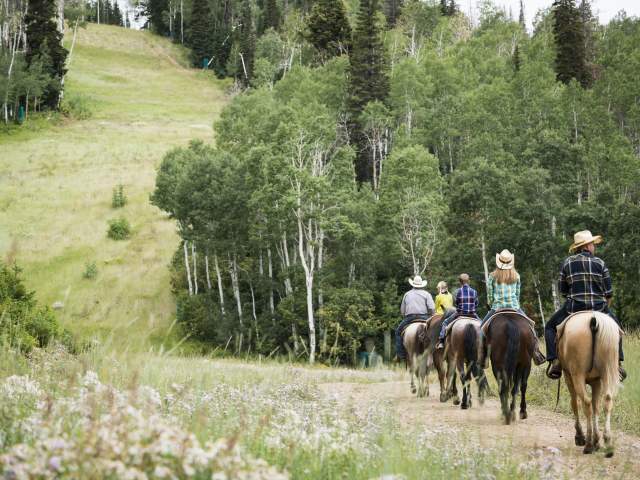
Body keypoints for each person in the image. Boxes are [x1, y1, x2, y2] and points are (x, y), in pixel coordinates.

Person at [545, 230, 626, 381]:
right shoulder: (600, 263)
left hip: (573, 307)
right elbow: (609, 293)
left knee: (549, 327)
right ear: (588, 245)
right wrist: (605, 308)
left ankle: (555, 361)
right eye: (593, 244)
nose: (594, 246)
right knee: (617, 329)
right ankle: (618, 363)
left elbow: (562, 291)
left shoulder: (567, 263)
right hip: (599, 308)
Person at [481, 249, 545, 366]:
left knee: (481, 330)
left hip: (497, 308)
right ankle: (536, 353)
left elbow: (490, 296)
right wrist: (515, 305)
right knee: (532, 328)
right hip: (514, 307)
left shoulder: (492, 276)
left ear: (498, 262)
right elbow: (517, 294)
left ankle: (483, 358)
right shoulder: (516, 276)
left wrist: (490, 305)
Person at [396, 275, 436, 361]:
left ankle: (400, 354)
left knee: (398, 332)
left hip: (410, 318)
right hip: (425, 317)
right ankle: (435, 354)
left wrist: (406, 315)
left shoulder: (407, 294)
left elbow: (402, 311)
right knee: (435, 333)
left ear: (413, 284)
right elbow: (432, 308)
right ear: (421, 285)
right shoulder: (427, 294)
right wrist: (432, 317)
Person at [436, 273, 478, 349]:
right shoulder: (474, 291)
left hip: (460, 313)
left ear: (460, 282)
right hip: (472, 314)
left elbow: (457, 303)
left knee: (445, 322)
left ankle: (441, 341)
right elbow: (476, 303)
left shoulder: (457, 292)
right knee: (483, 326)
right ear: (468, 281)